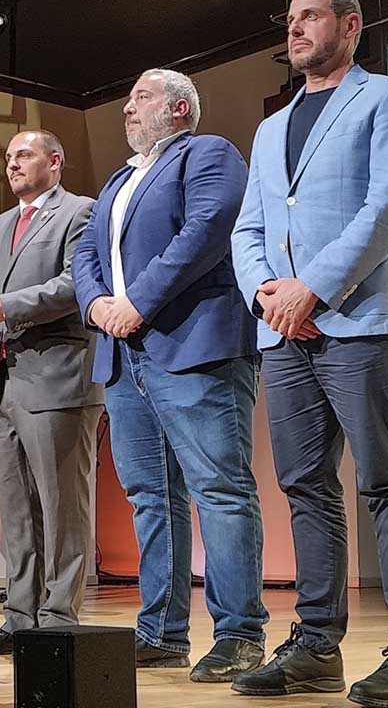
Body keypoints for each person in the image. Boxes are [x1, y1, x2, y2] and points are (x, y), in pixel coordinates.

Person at [230, 0, 388, 707]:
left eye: (309, 16)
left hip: (357, 319)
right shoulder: (268, 129)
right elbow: (248, 229)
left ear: (350, 26)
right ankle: (317, 648)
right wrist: (270, 294)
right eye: (289, 21)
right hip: (283, 329)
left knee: (385, 482)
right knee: (304, 486)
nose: (294, 30)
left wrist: (312, 289)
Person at [73, 69, 267, 682]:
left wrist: (139, 300)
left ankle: (239, 634)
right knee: (150, 496)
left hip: (193, 345)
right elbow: (85, 252)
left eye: (142, 97)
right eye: (127, 98)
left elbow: (209, 228)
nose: (127, 107)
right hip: (125, 355)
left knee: (220, 488)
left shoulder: (209, 153)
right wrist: (96, 303)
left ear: (180, 109)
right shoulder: (117, 180)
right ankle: (161, 631)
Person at [0, 130, 102, 655]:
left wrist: (4, 306)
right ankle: (19, 618)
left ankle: (58, 619)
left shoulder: (81, 211)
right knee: (16, 510)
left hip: (56, 377)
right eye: (9, 157)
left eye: (25, 155)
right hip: (1, 384)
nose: (13, 164)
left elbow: (75, 283)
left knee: (62, 508)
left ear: (55, 161)